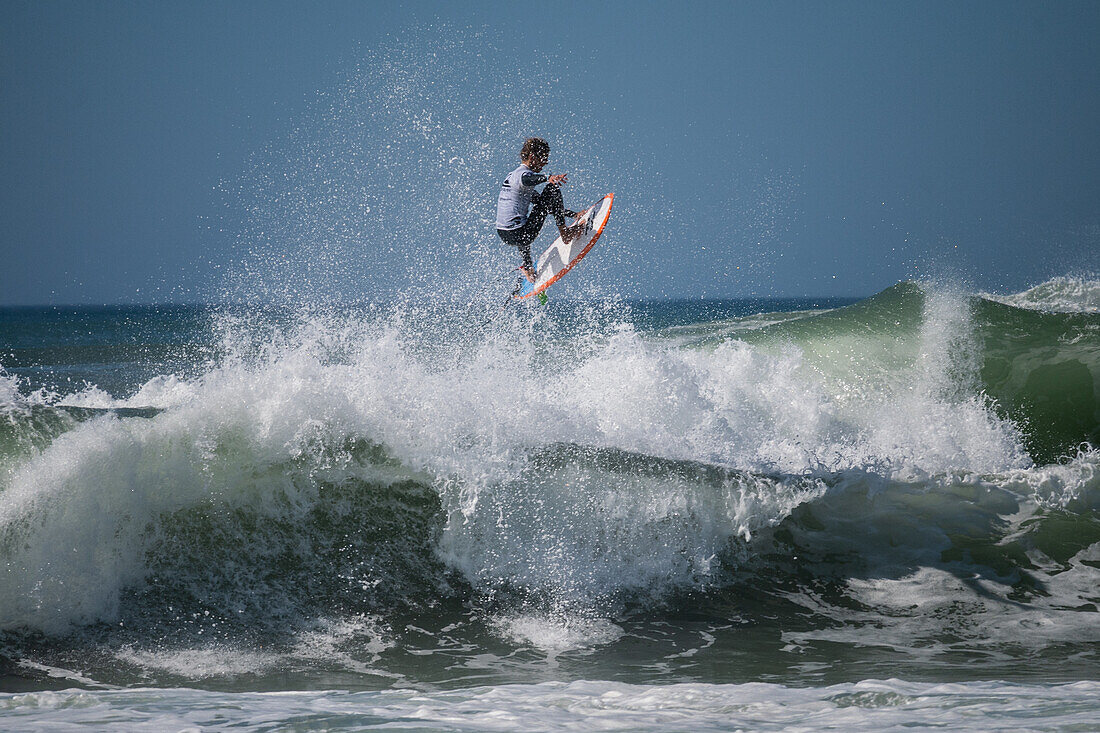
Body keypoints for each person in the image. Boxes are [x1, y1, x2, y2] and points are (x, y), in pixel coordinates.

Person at [495, 137, 584, 281]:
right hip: (519, 233)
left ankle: (528, 267)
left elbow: (545, 205)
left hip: (505, 234)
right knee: (553, 189)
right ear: (532, 157)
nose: (545, 163)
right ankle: (565, 234)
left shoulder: (512, 176)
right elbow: (528, 179)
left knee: (521, 222)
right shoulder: (523, 175)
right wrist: (547, 178)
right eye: (543, 159)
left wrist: (573, 215)